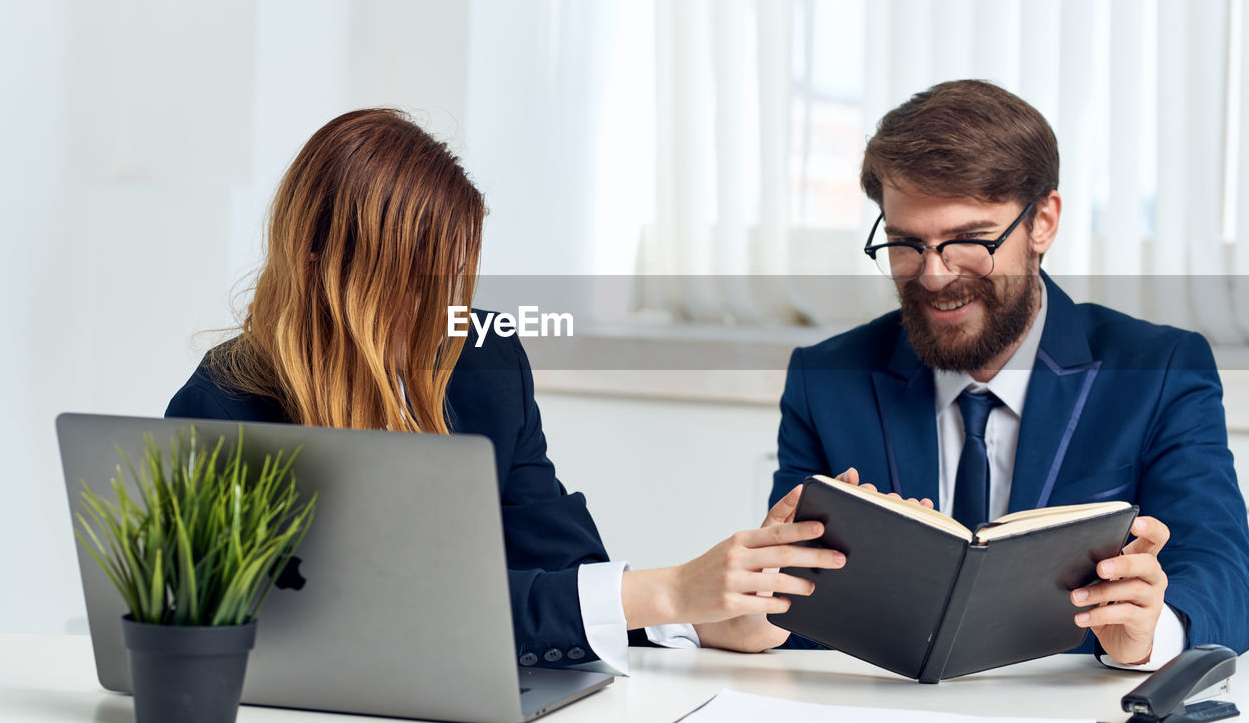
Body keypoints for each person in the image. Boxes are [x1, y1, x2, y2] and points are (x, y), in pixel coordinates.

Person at [165, 108, 841, 673]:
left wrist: (705, 618)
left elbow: (565, 568)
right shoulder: (224, 405)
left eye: (453, 275)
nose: (440, 308)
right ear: (317, 263)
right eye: (408, 278)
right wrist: (665, 593)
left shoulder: (480, 356)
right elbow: (380, 619)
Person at [765, 80, 1249, 667]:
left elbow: (1224, 575)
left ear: (1042, 221)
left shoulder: (1159, 371)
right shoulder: (827, 380)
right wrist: (764, 591)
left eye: (968, 240)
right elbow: (786, 607)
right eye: (906, 243)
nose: (935, 276)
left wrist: (1150, 632)